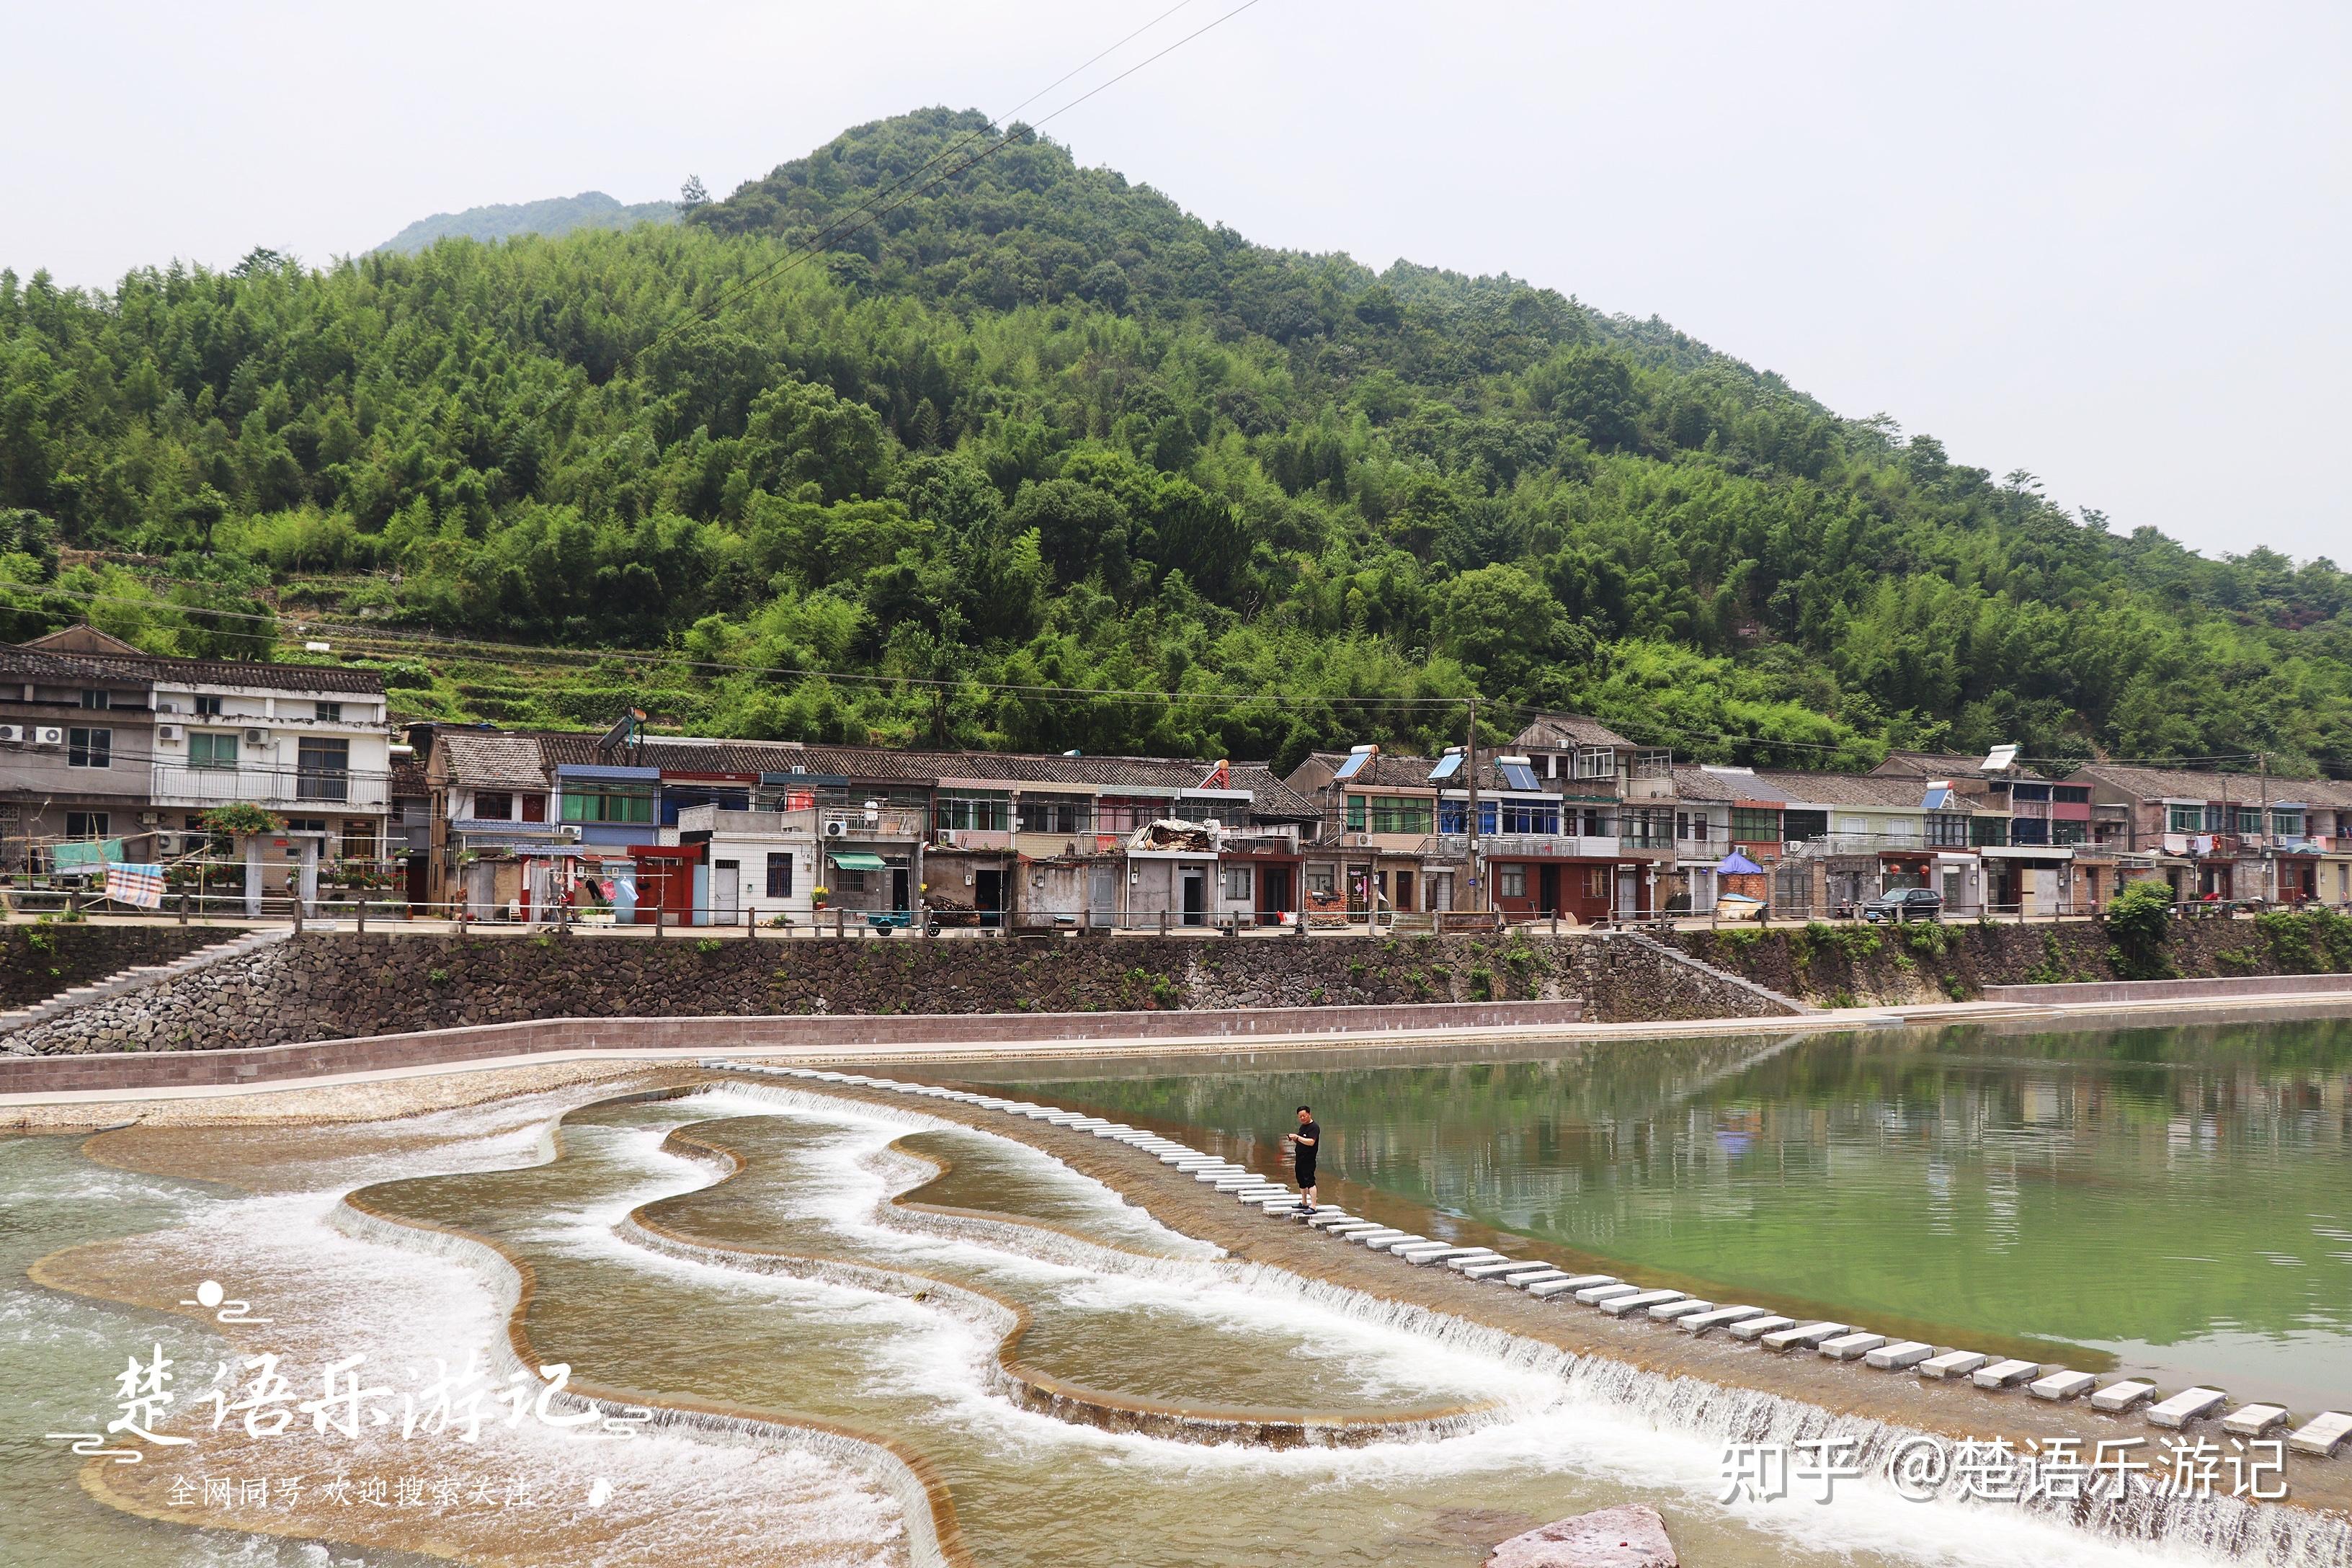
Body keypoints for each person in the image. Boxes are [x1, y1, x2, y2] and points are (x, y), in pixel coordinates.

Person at [1285, 1105, 1320, 1213]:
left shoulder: (1314, 1127)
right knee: (1301, 1180)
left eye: (1304, 1116)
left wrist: (1298, 1137)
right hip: (1299, 1158)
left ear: (1309, 1114)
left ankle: (1313, 1206)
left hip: (1308, 1159)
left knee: (1310, 1181)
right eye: (1300, 1116)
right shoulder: (1302, 1127)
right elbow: (1301, 1141)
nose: (1302, 1118)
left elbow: (1311, 1142)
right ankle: (1304, 1202)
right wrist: (1294, 1139)